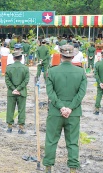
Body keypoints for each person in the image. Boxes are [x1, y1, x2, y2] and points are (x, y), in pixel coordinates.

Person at [43, 44, 87, 173]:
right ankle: (72, 169)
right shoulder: (80, 72)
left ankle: (48, 168)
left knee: (51, 140)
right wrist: (70, 108)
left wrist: (62, 107)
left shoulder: (52, 71)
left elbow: (50, 93)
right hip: (73, 113)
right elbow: (81, 93)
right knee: (73, 142)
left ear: (61, 56)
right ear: (73, 56)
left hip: (56, 112)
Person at [5, 50, 29, 134]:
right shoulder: (25, 68)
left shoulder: (8, 67)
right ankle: (21, 128)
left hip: (11, 93)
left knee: (10, 109)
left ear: (13, 58)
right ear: (21, 58)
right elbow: (26, 81)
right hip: (22, 92)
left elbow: (7, 80)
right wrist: (18, 89)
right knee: (21, 110)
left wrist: (13, 89)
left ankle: (9, 127)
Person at [93, 51, 103, 115]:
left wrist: (100, 82)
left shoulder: (97, 64)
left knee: (99, 95)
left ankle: (97, 110)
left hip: (100, 83)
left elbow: (96, 74)